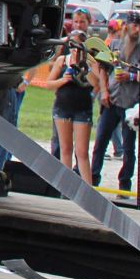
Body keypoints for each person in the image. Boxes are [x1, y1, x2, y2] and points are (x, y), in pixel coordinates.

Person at [93, 21, 140, 188]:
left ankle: (125, 184)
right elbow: (102, 68)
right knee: (100, 141)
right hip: (112, 100)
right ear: (126, 27)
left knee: (128, 148)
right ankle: (93, 178)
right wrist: (104, 91)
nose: (138, 29)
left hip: (131, 104)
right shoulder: (115, 44)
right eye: (135, 26)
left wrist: (130, 77)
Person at [42, 32, 100, 185]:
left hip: (82, 108)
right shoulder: (62, 60)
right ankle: (65, 187)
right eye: (72, 46)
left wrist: (84, 67)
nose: (75, 50)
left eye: (78, 46)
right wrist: (63, 80)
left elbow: (96, 82)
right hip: (62, 107)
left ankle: (88, 187)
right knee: (65, 149)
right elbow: (49, 84)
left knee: (81, 152)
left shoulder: (90, 62)